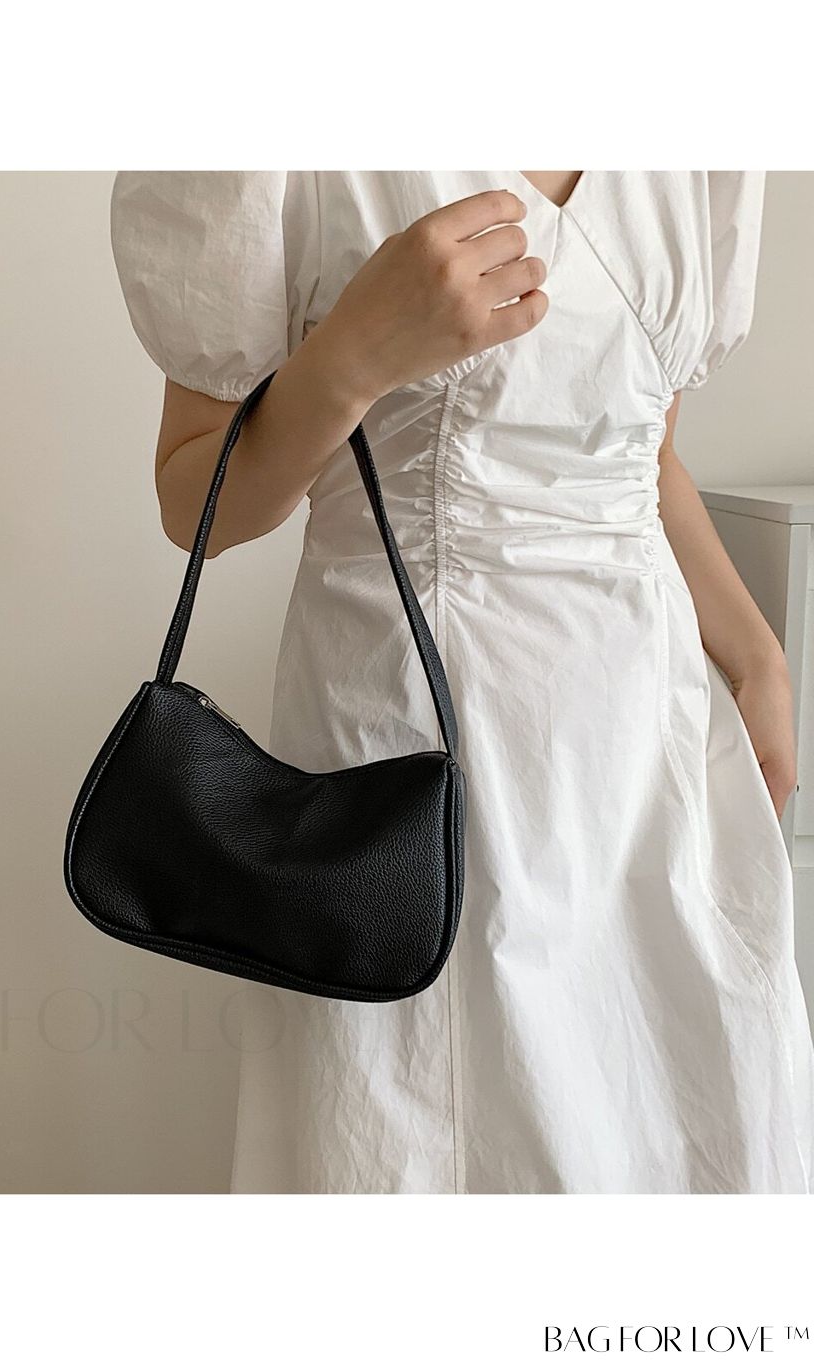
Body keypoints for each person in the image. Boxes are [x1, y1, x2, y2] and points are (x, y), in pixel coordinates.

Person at [109, 169, 814, 1194]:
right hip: (415, 745)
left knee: (675, 1116)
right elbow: (195, 502)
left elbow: (642, 456)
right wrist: (351, 355)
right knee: (435, 1143)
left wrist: (757, 657)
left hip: (647, 742)